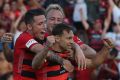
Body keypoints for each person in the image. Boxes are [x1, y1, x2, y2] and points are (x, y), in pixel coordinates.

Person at [32, 23, 114, 80]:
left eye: (72, 38)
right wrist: (46, 48)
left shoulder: (69, 53)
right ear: (57, 38)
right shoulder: (45, 51)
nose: (72, 41)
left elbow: (93, 63)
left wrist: (106, 48)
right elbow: (35, 65)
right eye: (69, 38)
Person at [13, 8, 52, 80]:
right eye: (40, 24)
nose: (45, 26)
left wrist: (76, 47)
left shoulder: (42, 35)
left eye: (45, 22)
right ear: (29, 26)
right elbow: (41, 50)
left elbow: (64, 39)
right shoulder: (23, 38)